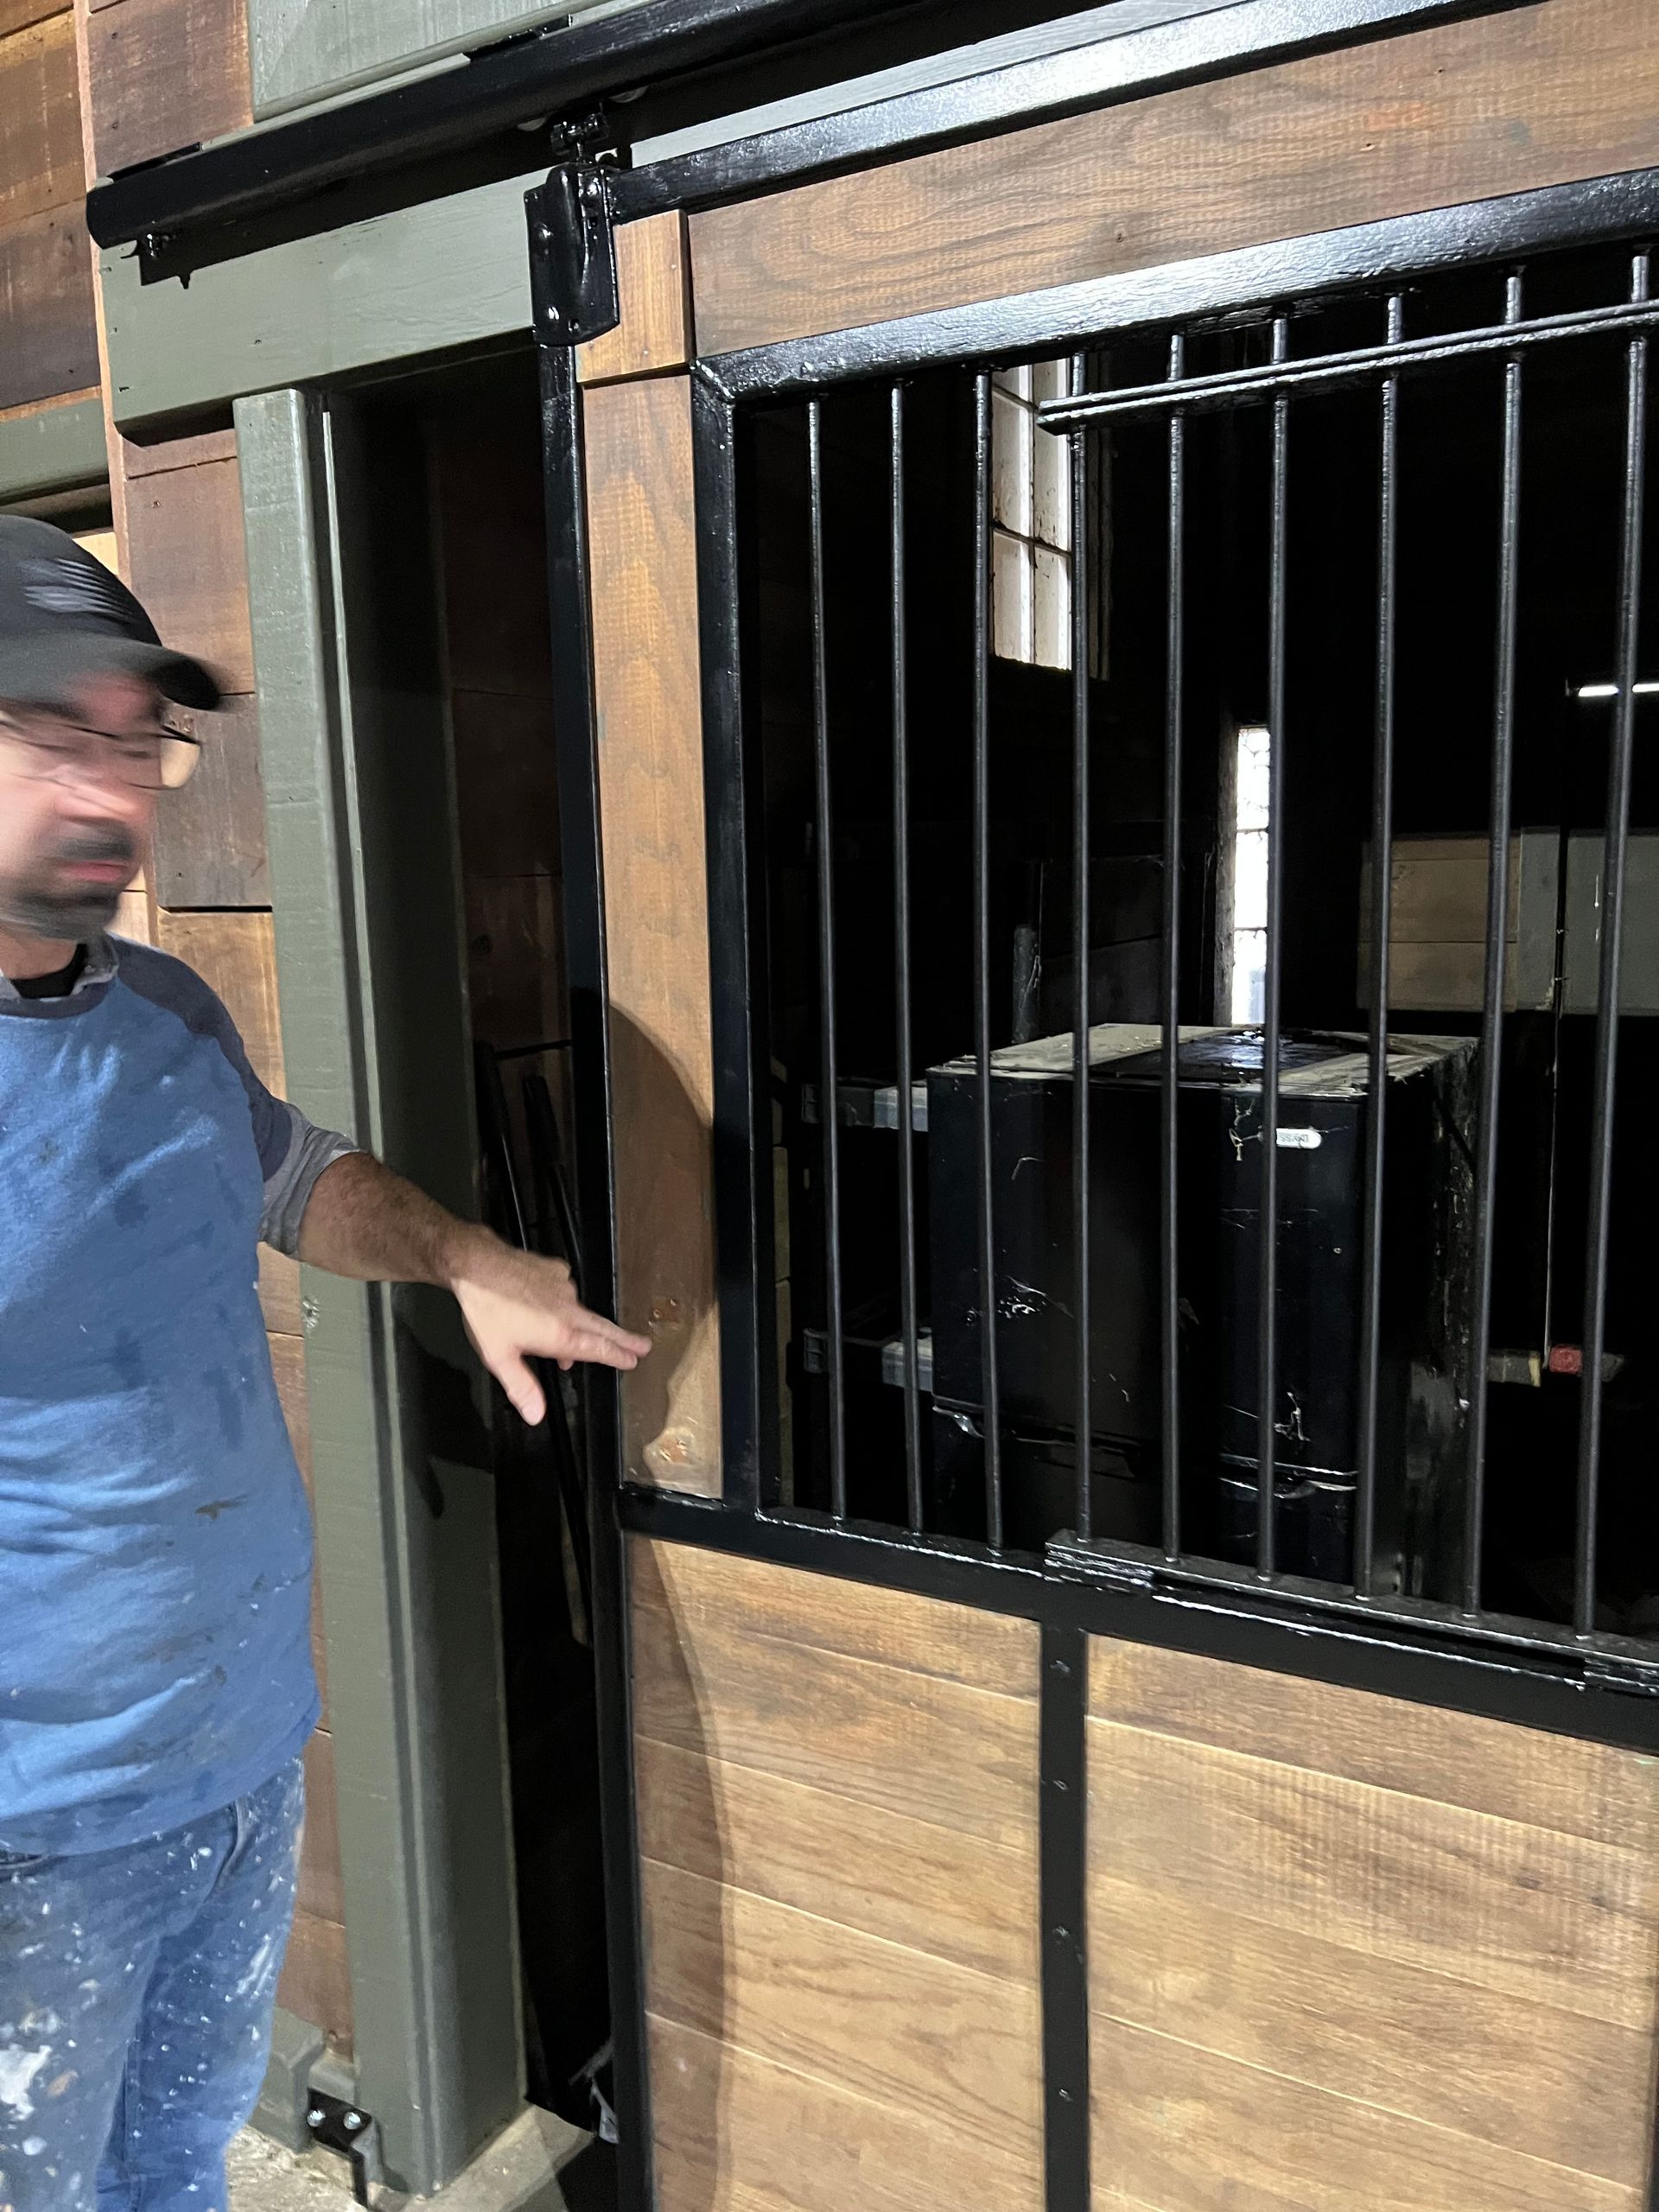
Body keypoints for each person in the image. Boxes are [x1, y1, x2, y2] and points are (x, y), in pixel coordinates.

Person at [0, 517, 650, 2212]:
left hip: (234, 1755)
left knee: (176, 2165)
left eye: (136, 743)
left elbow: (292, 1175)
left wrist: (466, 1257)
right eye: (51, 732)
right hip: (31, 1829)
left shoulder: (165, 1010)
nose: (110, 790)